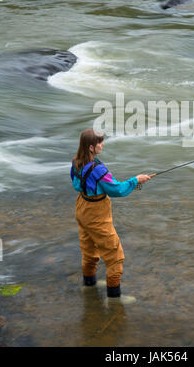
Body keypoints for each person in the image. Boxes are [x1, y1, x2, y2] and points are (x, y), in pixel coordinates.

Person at [70, 128, 150, 298]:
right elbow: (117, 190)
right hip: (96, 214)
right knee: (115, 256)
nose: (102, 144)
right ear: (91, 147)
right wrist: (136, 180)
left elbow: (76, 185)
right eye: (99, 142)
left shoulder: (76, 162)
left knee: (89, 250)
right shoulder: (98, 169)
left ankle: (89, 285)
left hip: (81, 207)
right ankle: (114, 298)